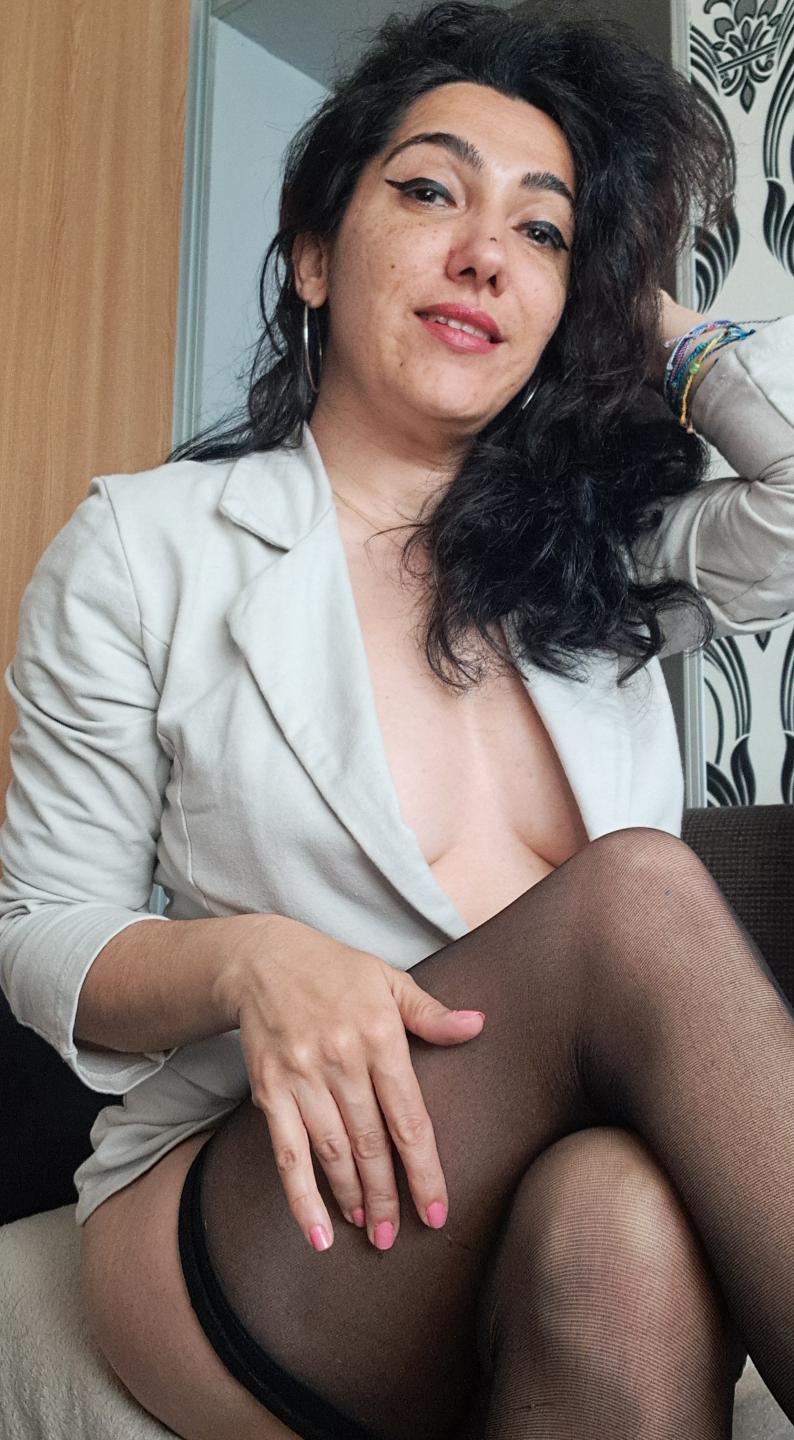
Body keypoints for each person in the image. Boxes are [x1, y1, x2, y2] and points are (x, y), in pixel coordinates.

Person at [1, 2, 793, 1437]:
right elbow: (40, 928)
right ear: (313, 253)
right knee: (634, 894)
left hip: (547, 1187)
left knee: (621, 1211)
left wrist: (634, 314)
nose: (485, 252)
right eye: (431, 193)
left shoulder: (603, 565)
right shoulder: (146, 546)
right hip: (269, 1194)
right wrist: (250, 962)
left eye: (542, 232)